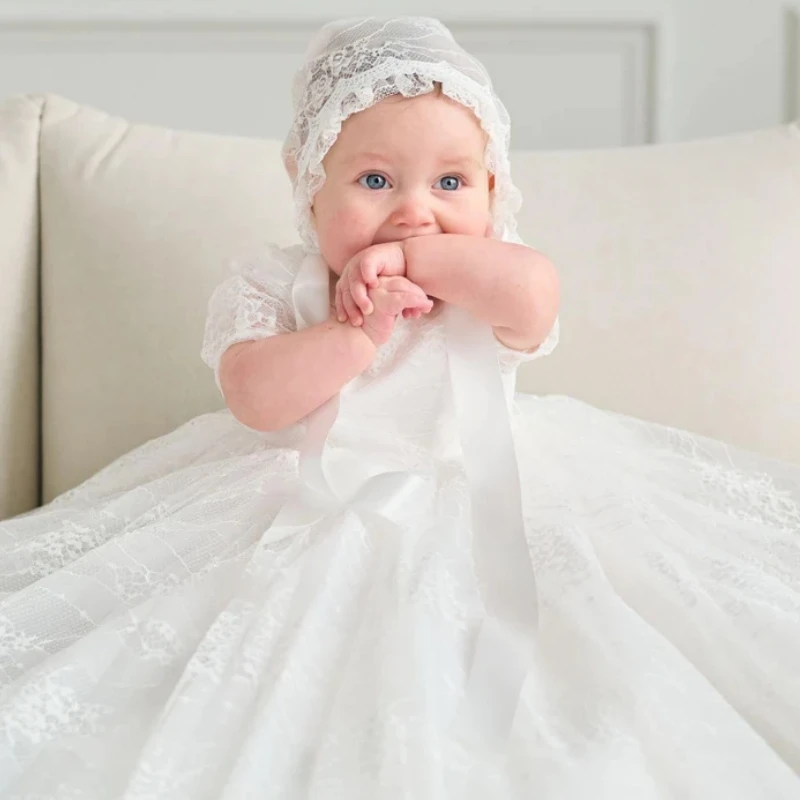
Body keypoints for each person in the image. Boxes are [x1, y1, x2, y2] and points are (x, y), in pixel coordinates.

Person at [0, 16, 798, 800]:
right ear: (310, 187)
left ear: (492, 189)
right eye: (376, 181)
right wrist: (355, 339)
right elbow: (253, 395)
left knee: (579, 655)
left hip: (495, 488)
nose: (417, 208)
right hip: (298, 499)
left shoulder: (486, 275)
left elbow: (535, 298)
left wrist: (406, 258)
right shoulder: (272, 284)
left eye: (451, 183)